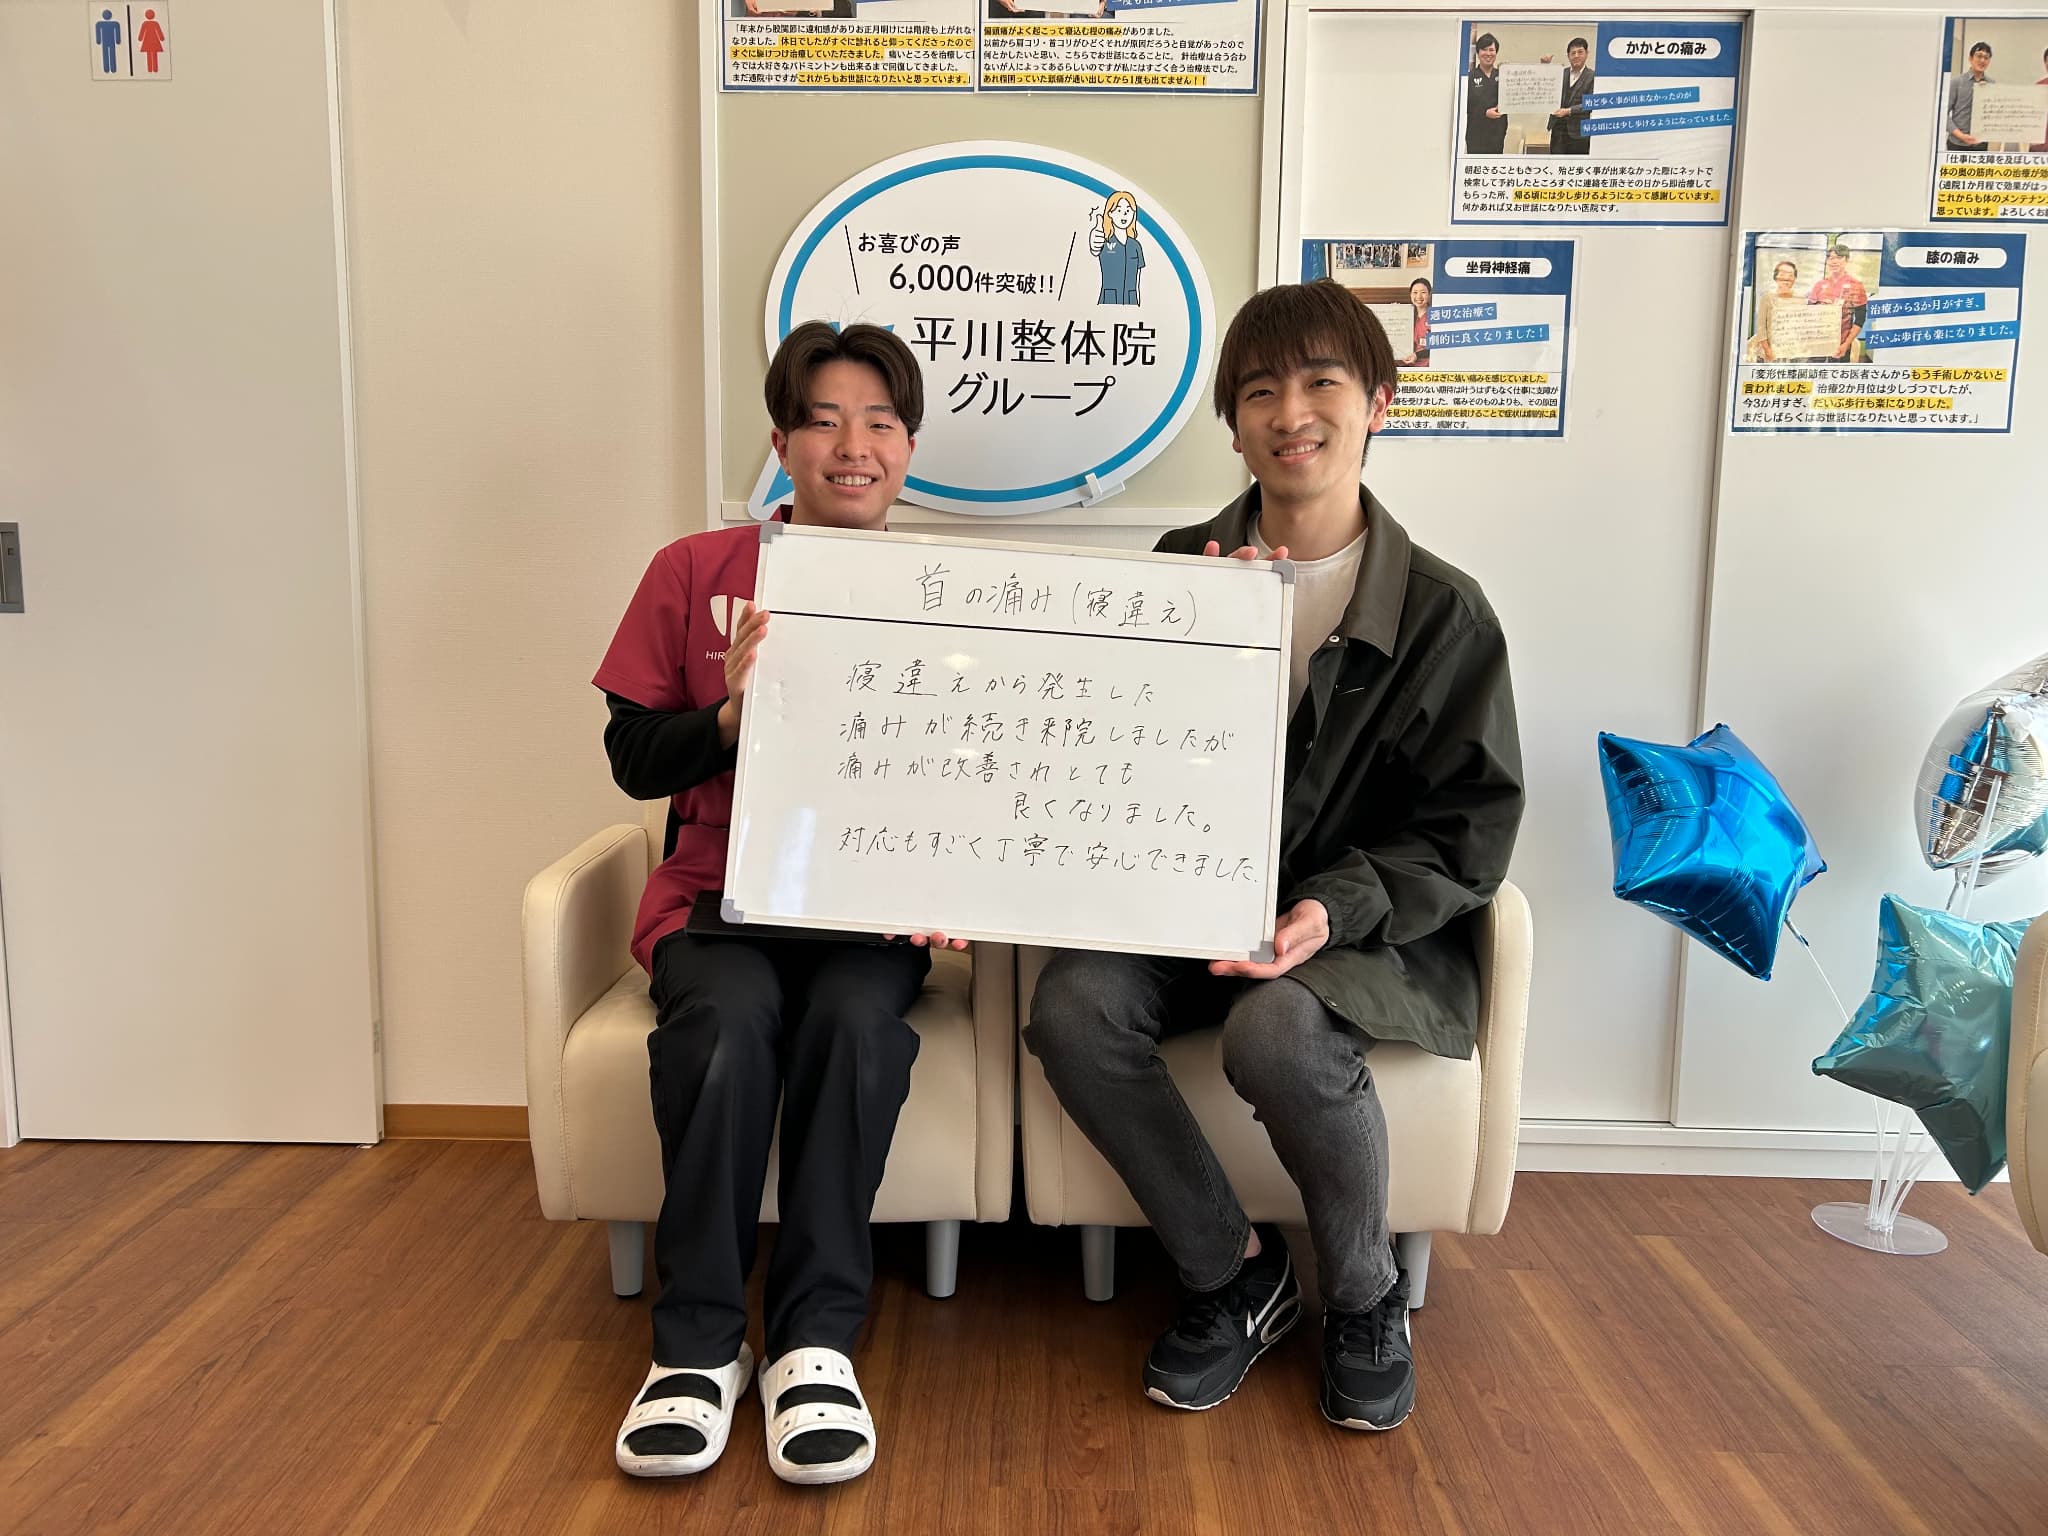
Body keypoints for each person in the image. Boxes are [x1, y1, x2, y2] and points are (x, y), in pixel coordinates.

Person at [1024, 281, 1525, 1433]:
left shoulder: (1444, 614)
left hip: (1356, 935)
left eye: (1319, 383)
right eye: (1259, 391)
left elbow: (1467, 829)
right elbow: (1100, 754)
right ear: (1233, 423)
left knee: (1277, 1030)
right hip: (1182, 911)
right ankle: (1234, 1275)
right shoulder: (1174, 569)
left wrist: (1330, 908)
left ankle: (1362, 1296)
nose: (1289, 413)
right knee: (1072, 1010)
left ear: (1377, 404)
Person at [593, 321, 960, 1486]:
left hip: (869, 907)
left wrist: (960, 882)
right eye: (823, 420)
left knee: (855, 1028)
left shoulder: (950, 595)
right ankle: (698, 1346)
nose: (853, 445)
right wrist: (727, 720)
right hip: (719, 897)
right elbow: (631, 755)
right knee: (721, 1026)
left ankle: (814, 1342)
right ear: (779, 442)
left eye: (880, 422)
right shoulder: (693, 570)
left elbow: (980, 778)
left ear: (908, 448)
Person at [1803, 242, 1869, 362]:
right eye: (1831, 258)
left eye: (1839, 257)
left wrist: (1846, 344)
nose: (1834, 261)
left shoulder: (1856, 285)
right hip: (1817, 345)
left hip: (1841, 346)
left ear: (1847, 260)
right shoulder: (1819, 285)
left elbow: (1860, 319)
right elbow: (1809, 314)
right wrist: (1821, 308)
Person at [1091, 190, 1146, 305]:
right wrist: (1094, 243)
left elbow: (1138, 279)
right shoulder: (1105, 241)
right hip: (1108, 300)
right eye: (1119, 210)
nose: (1124, 214)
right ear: (1110, 213)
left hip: (1131, 301)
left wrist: (1139, 305)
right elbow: (1095, 249)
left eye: (1128, 210)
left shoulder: (1136, 246)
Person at [1746, 259, 1800, 362]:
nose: (1786, 278)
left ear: (1794, 278)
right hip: (1767, 349)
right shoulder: (1767, 298)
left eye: (1790, 275)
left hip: (1791, 350)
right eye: (1782, 274)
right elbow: (1761, 328)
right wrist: (1767, 350)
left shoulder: (1800, 299)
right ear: (1776, 277)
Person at [1948, 40, 1994, 152]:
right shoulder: (1956, 82)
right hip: (1957, 143)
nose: (1982, 60)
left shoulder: (1992, 84)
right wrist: (1960, 135)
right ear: (1970, 58)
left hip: (1981, 143)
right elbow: (1943, 113)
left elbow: (1993, 114)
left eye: (1986, 57)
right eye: (1979, 56)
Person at [1550, 36, 1595, 154]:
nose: (1576, 56)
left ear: (1587, 53)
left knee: (1576, 164)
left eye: (1580, 52)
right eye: (1573, 53)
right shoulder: (1560, 73)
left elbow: (1591, 103)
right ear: (1568, 56)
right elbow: (1545, 89)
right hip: (1558, 130)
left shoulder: (1592, 76)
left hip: (1579, 133)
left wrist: (1569, 111)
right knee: (1556, 163)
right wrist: (1545, 66)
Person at [1464, 33, 1507, 154]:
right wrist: (1484, 113)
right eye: (1484, 49)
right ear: (1478, 53)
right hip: (1476, 134)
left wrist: (1508, 72)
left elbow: (1513, 97)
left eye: (1491, 50)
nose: (1488, 53)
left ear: (1496, 53)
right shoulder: (1469, 77)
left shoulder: (1503, 75)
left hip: (1497, 134)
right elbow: (1465, 106)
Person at [1399, 277, 1433, 368]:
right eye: (1415, 292)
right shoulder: (1406, 315)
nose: (1419, 297)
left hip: (1426, 366)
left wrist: (1417, 355)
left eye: (1423, 292)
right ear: (1410, 294)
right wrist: (1394, 311)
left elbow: (1438, 346)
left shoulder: (1435, 316)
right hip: (1405, 363)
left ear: (1429, 294)